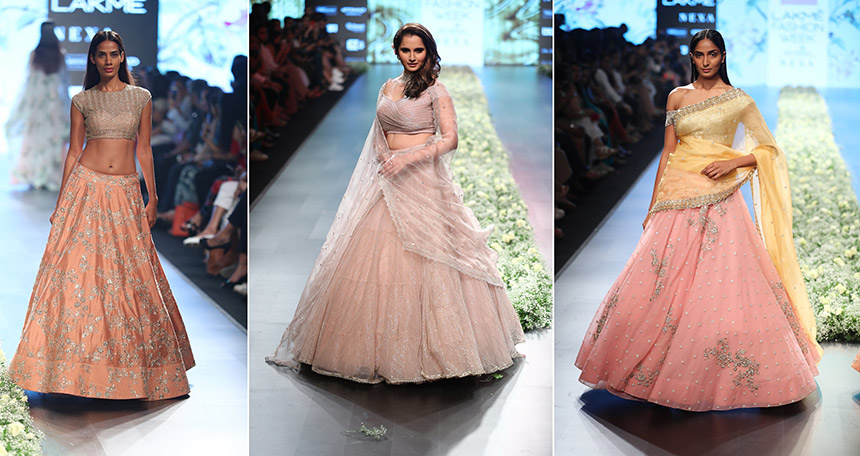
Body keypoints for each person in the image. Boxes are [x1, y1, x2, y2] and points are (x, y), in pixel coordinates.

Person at [574, 29, 822, 411]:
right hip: (676, 197)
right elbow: (668, 152)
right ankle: (649, 373)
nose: (706, 61)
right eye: (699, 55)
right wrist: (653, 205)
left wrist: (732, 162)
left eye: (712, 54)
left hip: (719, 198)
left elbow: (769, 149)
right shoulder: (677, 96)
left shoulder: (739, 100)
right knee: (661, 282)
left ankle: (710, 378)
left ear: (723, 56)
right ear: (691, 57)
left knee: (719, 287)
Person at [266, 23, 525, 384]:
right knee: (375, 261)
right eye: (406, 50)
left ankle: (437, 351)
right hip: (386, 179)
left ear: (429, 52)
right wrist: (385, 161)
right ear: (396, 51)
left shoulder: (437, 90)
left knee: (431, 260)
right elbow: (379, 133)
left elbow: (450, 139)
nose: (413, 57)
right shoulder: (388, 87)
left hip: (422, 182)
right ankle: (370, 350)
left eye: (419, 50)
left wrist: (408, 160)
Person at [8, 31, 195, 400]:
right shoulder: (82, 100)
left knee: (130, 276)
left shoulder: (141, 98)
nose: (108, 61)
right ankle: (68, 368)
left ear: (122, 57)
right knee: (77, 275)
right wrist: (61, 202)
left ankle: (130, 369)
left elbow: (144, 149)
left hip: (125, 191)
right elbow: (73, 152)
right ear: (93, 59)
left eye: (114, 54)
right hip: (86, 188)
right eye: (101, 55)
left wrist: (153, 197)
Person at [5, 21, 70, 191]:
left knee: (36, 140)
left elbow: (29, 80)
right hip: (55, 105)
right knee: (52, 141)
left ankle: (35, 177)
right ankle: (50, 177)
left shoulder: (35, 54)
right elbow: (64, 82)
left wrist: (23, 105)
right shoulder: (59, 55)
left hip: (37, 104)